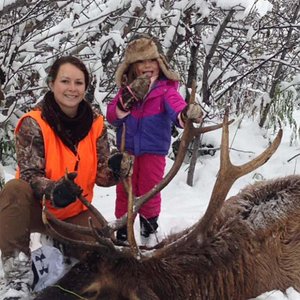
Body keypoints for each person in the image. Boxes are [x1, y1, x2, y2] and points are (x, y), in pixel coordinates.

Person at [0, 56, 133, 299]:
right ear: (52, 84)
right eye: (65, 81)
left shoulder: (95, 124)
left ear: (85, 87)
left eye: (79, 83)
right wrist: (53, 190)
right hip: (37, 209)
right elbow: (30, 175)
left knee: (106, 251)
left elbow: (102, 175)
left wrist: (116, 168)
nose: (72, 88)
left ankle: (64, 244)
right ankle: (17, 276)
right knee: (14, 189)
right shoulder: (34, 123)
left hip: (74, 212)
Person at [106, 34, 202, 246]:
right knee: (124, 191)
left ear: (160, 63)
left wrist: (186, 113)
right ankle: (122, 233)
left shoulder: (165, 91)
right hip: (127, 152)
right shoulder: (126, 91)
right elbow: (112, 116)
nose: (148, 65)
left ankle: (148, 233)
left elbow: (178, 110)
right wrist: (128, 99)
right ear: (132, 67)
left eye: (152, 60)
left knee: (148, 192)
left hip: (153, 152)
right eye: (141, 61)